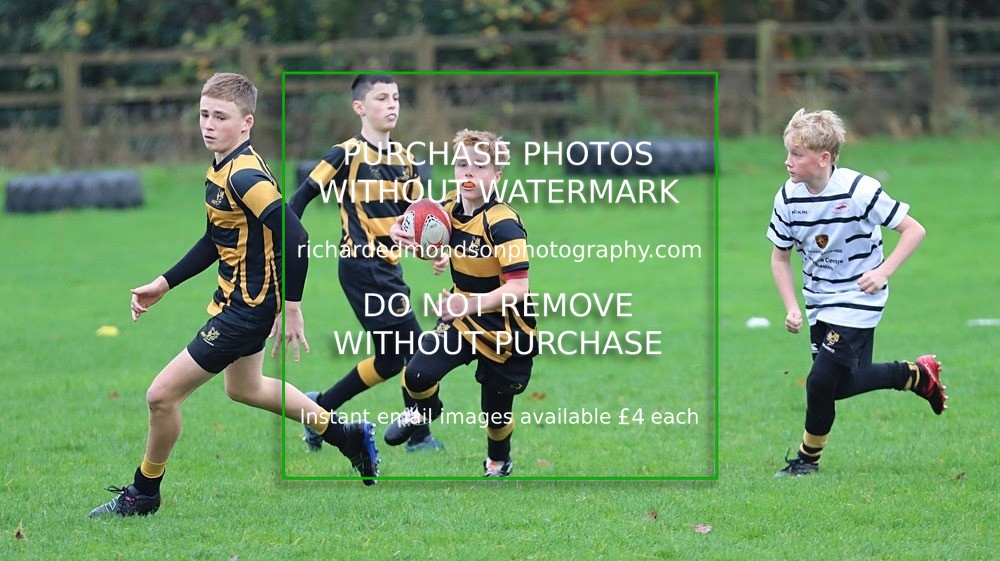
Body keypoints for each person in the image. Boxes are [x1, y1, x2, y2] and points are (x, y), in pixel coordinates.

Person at [89, 73, 379, 518]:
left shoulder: (244, 174)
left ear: (246, 124)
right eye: (204, 114)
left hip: (247, 311)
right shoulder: (222, 165)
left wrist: (293, 307)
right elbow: (214, 239)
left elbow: (297, 237)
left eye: (220, 117)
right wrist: (163, 283)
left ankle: (144, 492)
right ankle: (348, 436)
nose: (208, 124)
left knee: (161, 396)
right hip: (239, 302)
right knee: (246, 389)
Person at [767, 108, 948, 478]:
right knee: (838, 384)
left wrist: (882, 272)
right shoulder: (787, 197)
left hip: (859, 297)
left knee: (819, 382)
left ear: (824, 158)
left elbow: (914, 230)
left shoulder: (858, 190)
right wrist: (791, 306)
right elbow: (780, 258)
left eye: (796, 155)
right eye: (787, 153)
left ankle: (806, 461)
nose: (787, 162)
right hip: (819, 302)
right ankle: (915, 375)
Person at [288, 74, 444, 453]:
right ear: (359, 107)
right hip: (362, 267)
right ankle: (420, 437)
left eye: (396, 98)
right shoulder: (344, 154)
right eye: (381, 98)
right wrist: (285, 241)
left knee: (391, 361)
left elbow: (420, 218)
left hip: (388, 268)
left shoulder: (407, 160)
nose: (391, 105)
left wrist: (436, 249)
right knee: (421, 349)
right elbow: (298, 200)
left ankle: (319, 409)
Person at [385, 128, 536, 477]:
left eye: (480, 167)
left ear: (497, 175)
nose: (468, 173)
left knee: (495, 412)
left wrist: (464, 305)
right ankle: (424, 411)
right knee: (418, 374)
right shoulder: (449, 206)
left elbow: (519, 288)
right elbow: (425, 232)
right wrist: (399, 231)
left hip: (506, 327)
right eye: (462, 164)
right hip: (462, 317)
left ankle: (499, 460)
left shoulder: (504, 224)